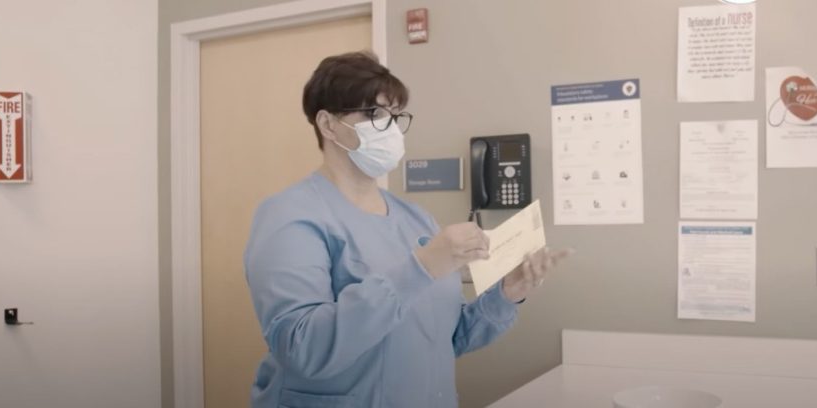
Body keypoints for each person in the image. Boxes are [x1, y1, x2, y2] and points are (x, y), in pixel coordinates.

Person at [244, 51, 572, 408]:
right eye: (375, 114)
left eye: (395, 116)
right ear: (328, 124)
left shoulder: (416, 219)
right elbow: (302, 347)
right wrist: (421, 267)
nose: (390, 128)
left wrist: (507, 293)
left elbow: (445, 340)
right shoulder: (290, 216)